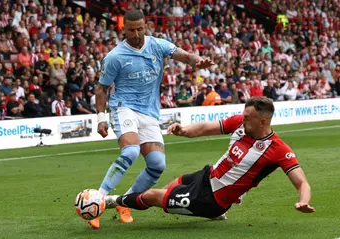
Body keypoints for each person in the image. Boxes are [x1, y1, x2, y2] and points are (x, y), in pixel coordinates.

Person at [92, 9, 214, 229]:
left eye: (140, 28)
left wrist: (198, 60)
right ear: (124, 29)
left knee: (157, 165)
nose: (136, 33)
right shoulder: (115, 57)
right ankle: (96, 202)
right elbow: (101, 89)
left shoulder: (158, 45)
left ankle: (124, 202)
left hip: (149, 113)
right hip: (124, 107)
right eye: (131, 30)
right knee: (130, 151)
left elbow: (185, 55)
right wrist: (101, 118)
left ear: (145, 26)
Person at [103, 97, 315, 221]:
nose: (243, 119)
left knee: (151, 196)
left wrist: (303, 201)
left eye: (248, 117)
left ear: (263, 121)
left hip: (211, 199)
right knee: (169, 187)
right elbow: (206, 127)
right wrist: (183, 130)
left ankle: (109, 202)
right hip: (206, 176)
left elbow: (302, 182)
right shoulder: (240, 123)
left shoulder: (278, 149)